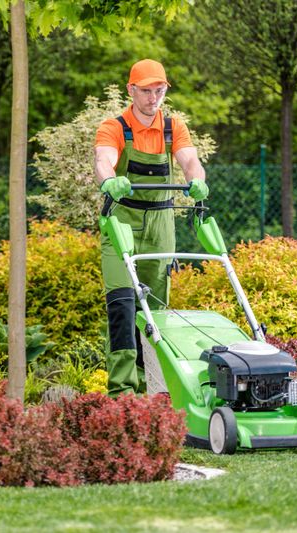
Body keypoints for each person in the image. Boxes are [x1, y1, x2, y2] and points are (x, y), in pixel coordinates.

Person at [93, 59, 208, 397]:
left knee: (156, 312)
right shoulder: (113, 127)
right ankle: (122, 392)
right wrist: (110, 180)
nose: (153, 97)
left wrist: (197, 181)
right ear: (131, 90)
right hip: (121, 226)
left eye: (159, 90)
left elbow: (189, 161)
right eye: (146, 91)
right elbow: (103, 159)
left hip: (160, 226)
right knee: (122, 305)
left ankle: (156, 389)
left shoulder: (174, 128)